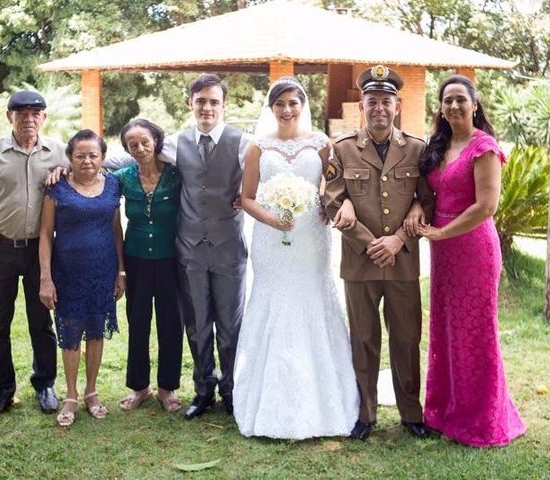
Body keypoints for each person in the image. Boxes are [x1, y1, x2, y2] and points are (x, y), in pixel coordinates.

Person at [102, 74, 252, 419]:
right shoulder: (173, 144)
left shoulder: (243, 142)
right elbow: (131, 157)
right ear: (190, 104)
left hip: (229, 247)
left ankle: (231, 388)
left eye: (214, 101)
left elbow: (266, 169)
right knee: (197, 323)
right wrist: (73, 165)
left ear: (224, 105)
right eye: (201, 101)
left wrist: (250, 196)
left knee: (230, 324)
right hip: (189, 251)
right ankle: (203, 390)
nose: (207, 107)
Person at [233, 76, 359, 439]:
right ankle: (264, 399)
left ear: (303, 105)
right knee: (274, 301)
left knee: (311, 301)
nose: (287, 110)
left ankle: (324, 399)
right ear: (271, 109)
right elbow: (247, 197)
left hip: (310, 239)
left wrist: (332, 204)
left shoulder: (322, 144)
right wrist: (273, 219)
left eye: (293, 103)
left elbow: (337, 187)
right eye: (280, 104)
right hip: (271, 241)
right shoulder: (257, 147)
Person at [409, 75, 526, 447]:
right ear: (440, 108)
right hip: (442, 252)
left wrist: (442, 233)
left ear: (475, 105)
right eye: (447, 101)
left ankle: (480, 418)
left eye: (461, 99)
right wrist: (420, 212)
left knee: (475, 332)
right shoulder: (438, 145)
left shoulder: (484, 147)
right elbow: (424, 189)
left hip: (473, 248)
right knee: (446, 329)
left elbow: (486, 206)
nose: (454, 106)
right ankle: (445, 411)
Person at [324, 65, 434, 441]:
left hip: (402, 263)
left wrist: (399, 241)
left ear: (398, 105)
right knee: (364, 339)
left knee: (406, 338)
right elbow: (331, 202)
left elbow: (429, 202)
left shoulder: (417, 150)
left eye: (386, 102)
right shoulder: (341, 149)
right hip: (360, 263)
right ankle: (366, 414)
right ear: (362, 106)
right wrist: (372, 242)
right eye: (372, 102)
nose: (380, 109)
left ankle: (411, 413)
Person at [0, 91, 65, 418]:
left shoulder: (58, 152)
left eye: (36, 113)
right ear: (10, 117)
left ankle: (45, 383)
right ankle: (2, 392)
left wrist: (65, 175)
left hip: (41, 250)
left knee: (42, 320)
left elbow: (92, 171)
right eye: (22, 113)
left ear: (44, 118)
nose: (29, 119)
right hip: (0, 248)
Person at [38, 129, 124, 427]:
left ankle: (91, 391)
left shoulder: (113, 185)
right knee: (71, 333)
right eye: (80, 156)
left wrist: (121, 271)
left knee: (97, 332)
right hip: (67, 273)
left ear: (102, 157)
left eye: (93, 155)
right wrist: (46, 278)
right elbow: (46, 234)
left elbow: (116, 230)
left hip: (103, 271)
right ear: (70, 158)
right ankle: (71, 394)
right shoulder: (57, 186)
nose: (87, 161)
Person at [112, 119, 184, 413]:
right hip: (137, 259)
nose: (140, 149)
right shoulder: (122, 178)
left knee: (170, 323)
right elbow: (89, 174)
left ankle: (167, 388)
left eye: (145, 142)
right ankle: (139, 387)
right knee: (138, 322)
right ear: (127, 149)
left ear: (156, 141)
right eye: (133, 145)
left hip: (171, 258)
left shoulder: (177, 174)